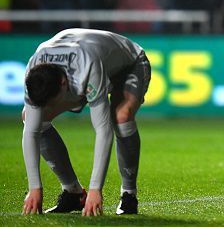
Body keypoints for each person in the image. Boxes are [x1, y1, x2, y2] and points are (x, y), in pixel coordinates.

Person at [21, 28, 151, 216]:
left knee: (121, 117)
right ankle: (73, 192)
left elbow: (103, 130)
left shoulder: (87, 66)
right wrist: (34, 188)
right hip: (83, 66)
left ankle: (129, 194)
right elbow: (31, 130)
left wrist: (95, 189)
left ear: (63, 84)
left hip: (129, 64)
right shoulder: (35, 69)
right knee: (30, 117)